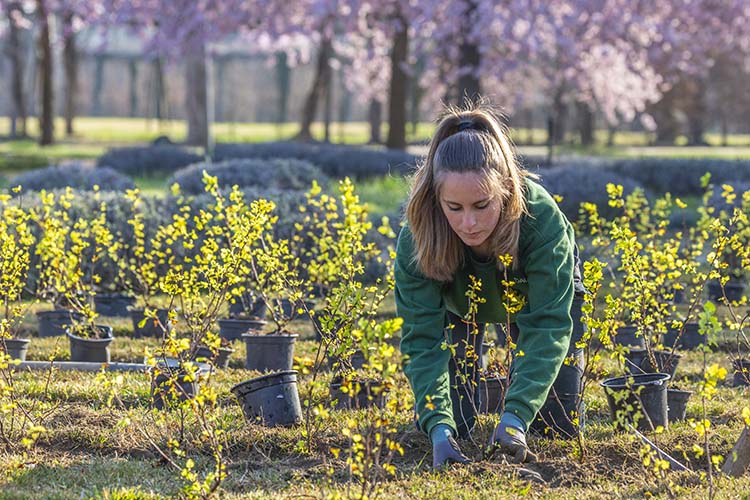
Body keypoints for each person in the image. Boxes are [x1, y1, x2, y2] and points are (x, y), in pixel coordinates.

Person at [394, 102, 585, 469]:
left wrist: (515, 419)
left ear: (506, 190)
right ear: (437, 199)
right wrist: (438, 429)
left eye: (482, 205)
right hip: (459, 302)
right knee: (456, 426)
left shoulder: (540, 219)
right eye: (454, 207)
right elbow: (422, 338)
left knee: (554, 425)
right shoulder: (417, 237)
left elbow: (548, 324)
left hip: (533, 299)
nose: (468, 223)